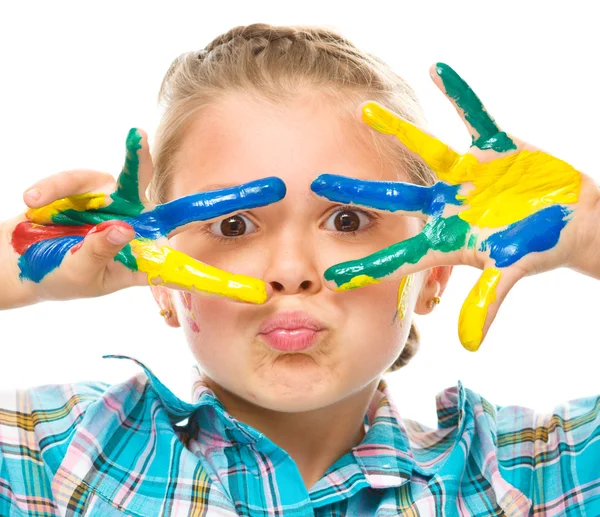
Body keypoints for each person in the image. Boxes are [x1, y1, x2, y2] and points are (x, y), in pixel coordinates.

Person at [0, 22, 599, 516]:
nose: (291, 272)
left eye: (347, 221)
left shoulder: (532, 477)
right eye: (233, 225)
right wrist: (19, 258)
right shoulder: (55, 456)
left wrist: (589, 235)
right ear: (161, 280)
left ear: (434, 273)